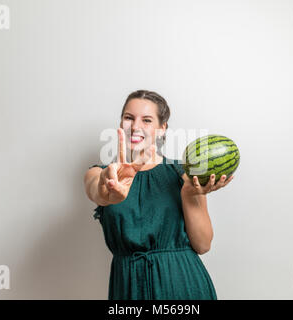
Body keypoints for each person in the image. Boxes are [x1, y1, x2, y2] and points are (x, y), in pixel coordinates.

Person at [83, 90, 234, 299]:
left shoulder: (184, 174)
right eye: (128, 118)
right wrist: (106, 191)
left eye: (146, 120)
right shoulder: (101, 173)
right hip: (129, 289)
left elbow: (203, 244)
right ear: (120, 123)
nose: (135, 127)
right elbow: (95, 189)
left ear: (162, 129)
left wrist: (188, 196)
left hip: (182, 285)